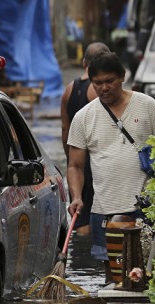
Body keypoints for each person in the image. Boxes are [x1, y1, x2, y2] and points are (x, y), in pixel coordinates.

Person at [66, 52, 155, 284]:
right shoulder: (83, 117)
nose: (104, 87)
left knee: (148, 272)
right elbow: (75, 166)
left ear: (122, 77)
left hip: (146, 207)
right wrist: (77, 197)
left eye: (109, 81)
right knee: (113, 276)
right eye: (97, 83)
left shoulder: (148, 106)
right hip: (105, 209)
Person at [60, 42, 111, 235]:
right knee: (98, 216)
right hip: (97, 162)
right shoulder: (99, 90)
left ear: (84, 62)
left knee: (81, 215)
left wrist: (71, 162)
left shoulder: (69, 90)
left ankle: (82, 254)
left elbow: (65, 129)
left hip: (78, 160)